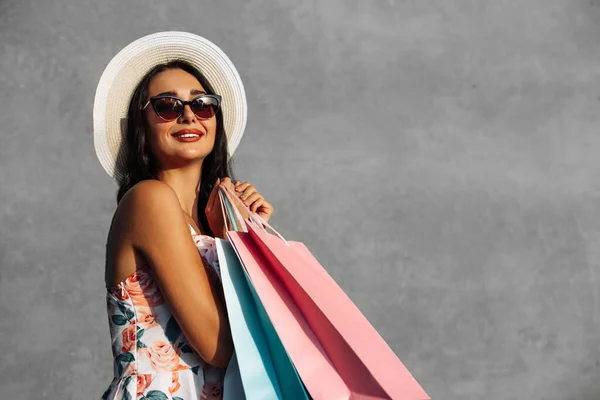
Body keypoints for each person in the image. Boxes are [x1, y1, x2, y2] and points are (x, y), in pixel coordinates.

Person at [94, 32, 273, 400]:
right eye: (167, 106)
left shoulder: (213, 222)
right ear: (141, 126)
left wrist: (253, 235)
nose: (189, 114)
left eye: (203, 103)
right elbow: (219, 347)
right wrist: (232, 242)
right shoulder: (149, 200)